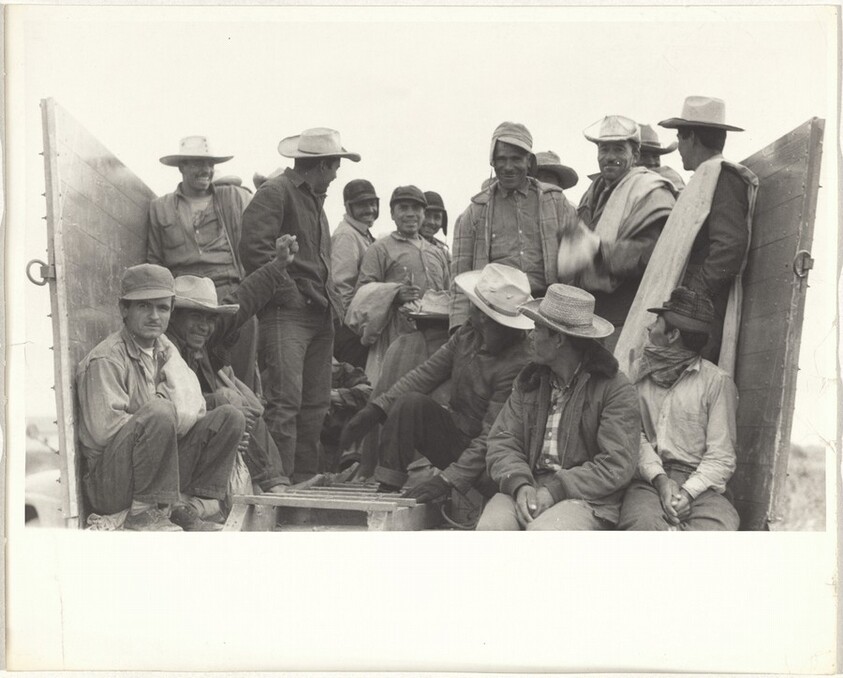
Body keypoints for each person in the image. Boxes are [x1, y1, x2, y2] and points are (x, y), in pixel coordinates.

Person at [339, 264, 533, 502]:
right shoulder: (468, 334)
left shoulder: (520, 362)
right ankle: (387, 488)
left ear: (484, 316)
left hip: (491, 458)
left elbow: (493, 436)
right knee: (410, 403)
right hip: (458, 437)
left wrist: (447, 480)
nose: (469, 309)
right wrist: (376, 408)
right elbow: (425, 374)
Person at [76, 264, 244, 531]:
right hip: (110, 483)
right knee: (161, 410)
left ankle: (192, 508)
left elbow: (193, 408)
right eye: (144, 306)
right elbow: (102, 433)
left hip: (152, 469)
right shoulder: (107, 359)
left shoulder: (164, 352)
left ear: (171, 311)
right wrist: (158, 414)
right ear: (124, 309)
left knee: (228, 416)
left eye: (163, 308)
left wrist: (164, 419)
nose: (155, 316)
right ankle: (142, 514)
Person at [239, 127, 360, 482]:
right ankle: (279, 485)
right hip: (288, 314)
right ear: (323, 165)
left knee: (314, 404)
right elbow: (254, 250)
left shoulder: (313, 202)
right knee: (286, 401)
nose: (337, 174)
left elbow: (318, 262)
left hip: (317, 313)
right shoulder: (275, 192)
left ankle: (303, 481)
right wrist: (288, 294)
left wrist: (330, 306)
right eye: (335, 166)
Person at [614, 96, 758, 375]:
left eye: (680, 137)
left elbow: (729, 246)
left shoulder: (723, 177)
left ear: (692, 137)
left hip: (697, 314)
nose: (679, 147)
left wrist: (692, 297)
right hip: (689, 308)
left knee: (680, 383)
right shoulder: (706, 178)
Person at [477, 284, 639, 530]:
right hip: (530, 485)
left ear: (559, 339)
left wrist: (555, 490)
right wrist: (520, 485)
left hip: (585, 499)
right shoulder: (530, 382)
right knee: (492, 528)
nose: (530, 336)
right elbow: (502, 440)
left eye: (537, 328)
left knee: (545, 535)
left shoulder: (614, 388)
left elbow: (616, 464)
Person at [166, 234, 299, 494]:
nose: (205, 326)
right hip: (176, 451)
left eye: (210, 319)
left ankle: (274, 485)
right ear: (175, 317)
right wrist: (219, 402)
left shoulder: (198, 337)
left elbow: (243, 300)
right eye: (196, 316)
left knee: (247, 408)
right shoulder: (164, 348)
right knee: (231, 403)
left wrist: (279, 264)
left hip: (201, 434)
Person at [617, 286, 740, 530]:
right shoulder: (638, 373)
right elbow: (634, 437)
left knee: (719, 530)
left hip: (702, 486)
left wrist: (688, 493)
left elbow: (722, 456)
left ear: (673, 335)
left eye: (657, 322)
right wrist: (662, 481)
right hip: (650, 479)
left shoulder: (716, 382)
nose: (650, 328)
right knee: (642, 526)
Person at [147, 136, 258, 388]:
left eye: (209, 164)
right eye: (197, 163)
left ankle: (245, 420)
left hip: (230, 297)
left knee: (240, 374)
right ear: (181, 167)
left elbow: (258, 242)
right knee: (189, 377)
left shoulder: (235, 199)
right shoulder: (160, 208)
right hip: (185, 304)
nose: (206, 170)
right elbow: (154, 261)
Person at [449, 121, 580, 332]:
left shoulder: (556, 202)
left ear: (529, 161)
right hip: (495, 315)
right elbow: (459, 277)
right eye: (501, 159)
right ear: (492, 162)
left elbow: (576, 267)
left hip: (547, 310)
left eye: (516, 159)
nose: (508, 167)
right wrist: (458, 328)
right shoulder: (475, 211)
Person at [569, 115, 677, 350]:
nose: (610, 157)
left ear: (635, 155)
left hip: (628, 314)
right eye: (604, 149)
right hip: (589, 316)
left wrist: (599, 253)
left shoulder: (649, 191)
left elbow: (652, 252)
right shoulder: (592, 193)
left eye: (619, 150)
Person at [349, 185, 450, 385]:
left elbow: (447, 293)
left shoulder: (437, 252)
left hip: (434, 338)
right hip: (394, 337)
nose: (410, 214)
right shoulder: (380, 248)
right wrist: (394, 293)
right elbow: (361, 293)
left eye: (417, 208)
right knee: (389, 388)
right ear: (392, 214)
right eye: (403, 208)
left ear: (423, 213)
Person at [332, 179, 380, 368]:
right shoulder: (347, 235)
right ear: (348, 207)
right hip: (351, 329)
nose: (369, 209)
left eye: (372, 203)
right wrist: (351, 330)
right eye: (362, 205)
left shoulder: (362, 233)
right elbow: (342, 286)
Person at [636, 123, 686, 191]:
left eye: (655, 156)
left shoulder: (671, 179)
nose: (651, 162)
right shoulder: (622, 183)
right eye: (643, 156)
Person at [420, 190, 450, 260]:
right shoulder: (399, 246)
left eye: (437, 217)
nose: (431, 222)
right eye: (426, 215)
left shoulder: (445, 254)